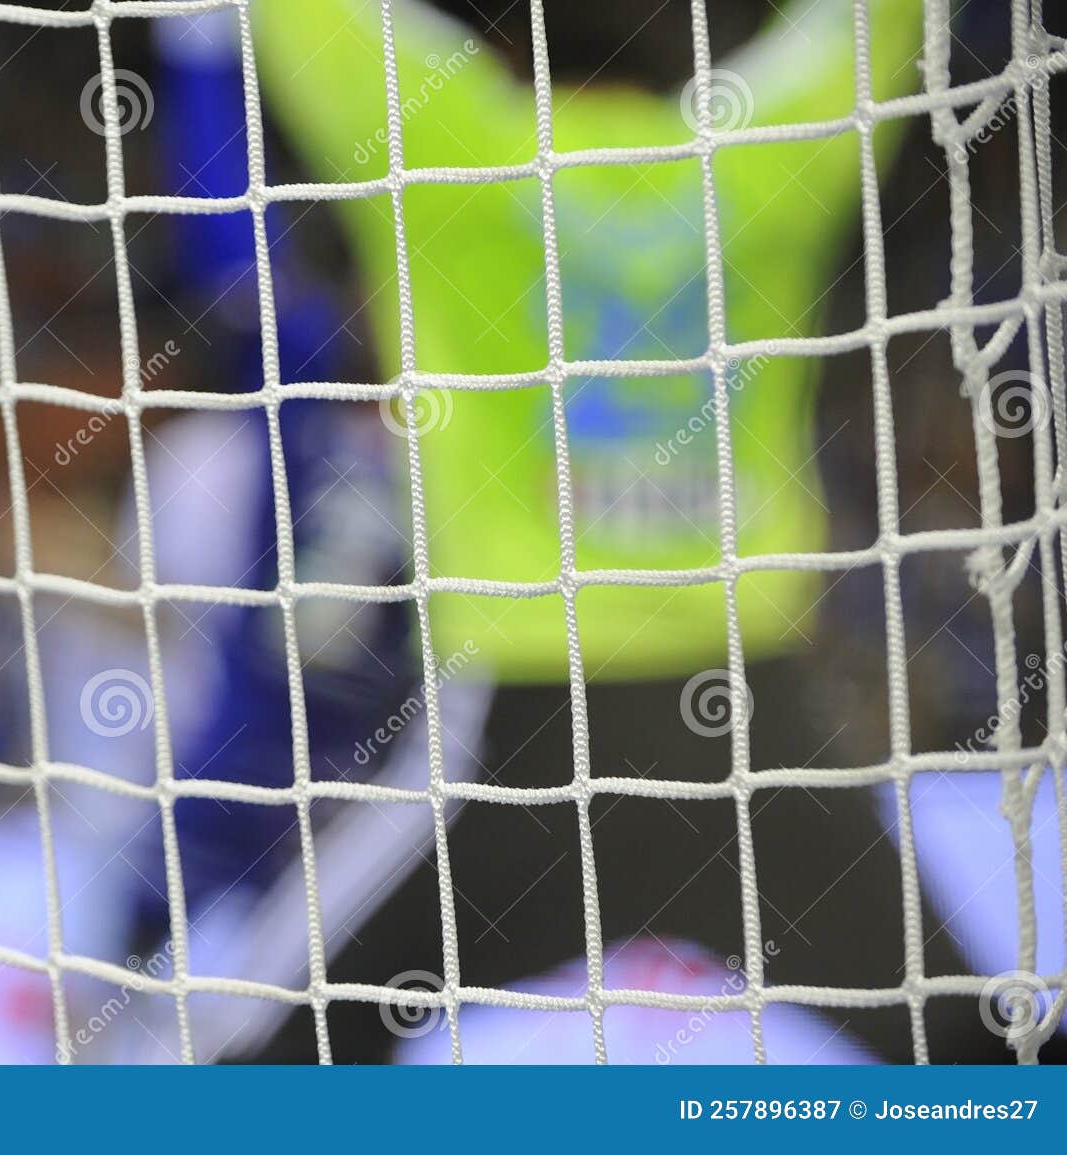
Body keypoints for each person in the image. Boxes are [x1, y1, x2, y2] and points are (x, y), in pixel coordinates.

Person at [247, 0, 1025, 1062]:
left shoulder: (449, 148)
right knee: (990, 1066)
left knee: (280, 1072)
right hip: (755, 735)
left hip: (536, 734)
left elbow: (312, 22)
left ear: (510, 54)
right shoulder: (755, 154)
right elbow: (868, 21)